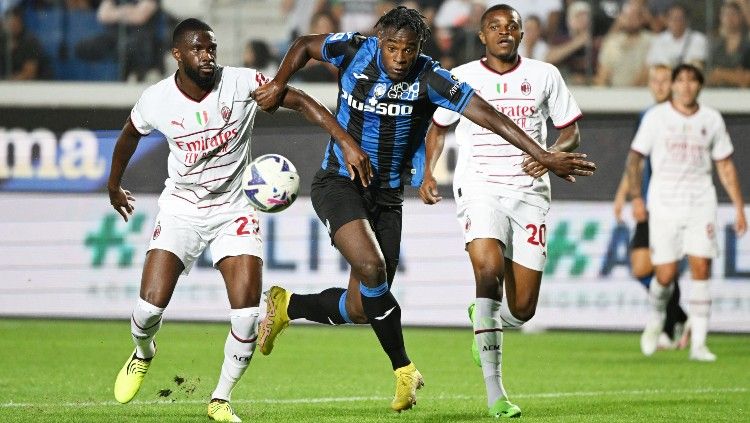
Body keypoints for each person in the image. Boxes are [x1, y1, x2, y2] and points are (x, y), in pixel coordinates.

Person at [252, 5, 595, 414]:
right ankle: (404, 369)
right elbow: (306, 46)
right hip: (338, 181)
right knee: (374, 270)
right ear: (380, 41)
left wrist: (543, 153)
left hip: (388, 195)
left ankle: (288, 305)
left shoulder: (432, 77)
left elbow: (488, 116)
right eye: (393, 47)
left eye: (409, 50)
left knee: (362, 307)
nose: (399, 58)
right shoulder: (352, 50)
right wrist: (278, 83)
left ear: (419, 49)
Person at [108, 18, 370, 422]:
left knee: (247, 315)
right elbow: (129, 135)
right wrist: (114, 183)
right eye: (197, 49)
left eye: (211, 47)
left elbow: (297, 99)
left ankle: (220, 398)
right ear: (177, 55)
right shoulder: (156, 100)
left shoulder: (242, 83)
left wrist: (346, 142)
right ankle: (144, 352)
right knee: (147, 311)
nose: (207, 55)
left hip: (235, 210)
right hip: (182, 209)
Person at [420, 4, 590, 417]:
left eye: (511, 25)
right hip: (479, 186)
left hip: (530, 192)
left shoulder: (544, 75)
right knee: (487, 269)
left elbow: (571, 131)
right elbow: (437, 128)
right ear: (482, 35)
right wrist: (427, 171)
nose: (504, 32)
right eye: (494, 26)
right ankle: (496, 393)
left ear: (521, 33)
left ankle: (485, 323)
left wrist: (552, 153)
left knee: (523, 308)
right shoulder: (461, 77)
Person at [626, 64, 747, 362]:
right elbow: (634, 159)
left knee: (701, 268)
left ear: (699, 86)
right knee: (665, 275)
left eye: (692, 81)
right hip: (664, 204)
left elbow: (725, 165)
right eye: (681, 80)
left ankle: (699, 345)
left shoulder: (712, 119)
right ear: (674, 86)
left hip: (701, 202)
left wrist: (738, 205)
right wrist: (636, 197)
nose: (686, 86)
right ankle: (656, 318)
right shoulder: (656, 118)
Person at [613, 64, 688, 351]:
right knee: (643, 266)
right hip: (648, 201)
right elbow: (636, 161)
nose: (658, 85)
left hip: (672, 202)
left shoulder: (683, 117)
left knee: (664, 265)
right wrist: (627, 196)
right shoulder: (646, 116)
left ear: (673, 84)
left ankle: (670, 328)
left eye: (664, 81)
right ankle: (679, 317)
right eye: (654, 80)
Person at [75, 0, 163, 81]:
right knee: (84, 46)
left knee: (128, 46)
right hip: (114, 37)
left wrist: (115, 13)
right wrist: (128, 11)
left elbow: (139, 17)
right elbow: (103, 16)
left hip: (141, 39)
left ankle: (137, 74)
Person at [645, 3, 707, 69]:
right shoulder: (658, 40)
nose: (676, 22)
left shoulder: (698, 39)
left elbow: (698, 66)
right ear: (667, 20)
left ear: (686, 20)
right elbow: (650, 66)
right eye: (672, 18)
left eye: (679, 18)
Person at [0, 7, 52, 80]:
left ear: (21, 22)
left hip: (30, 86)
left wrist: (8, 82)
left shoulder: (30, 41)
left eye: (15, 23)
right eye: (9, 22)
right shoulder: (2, 40)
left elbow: (29, 73)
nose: (12, 26)